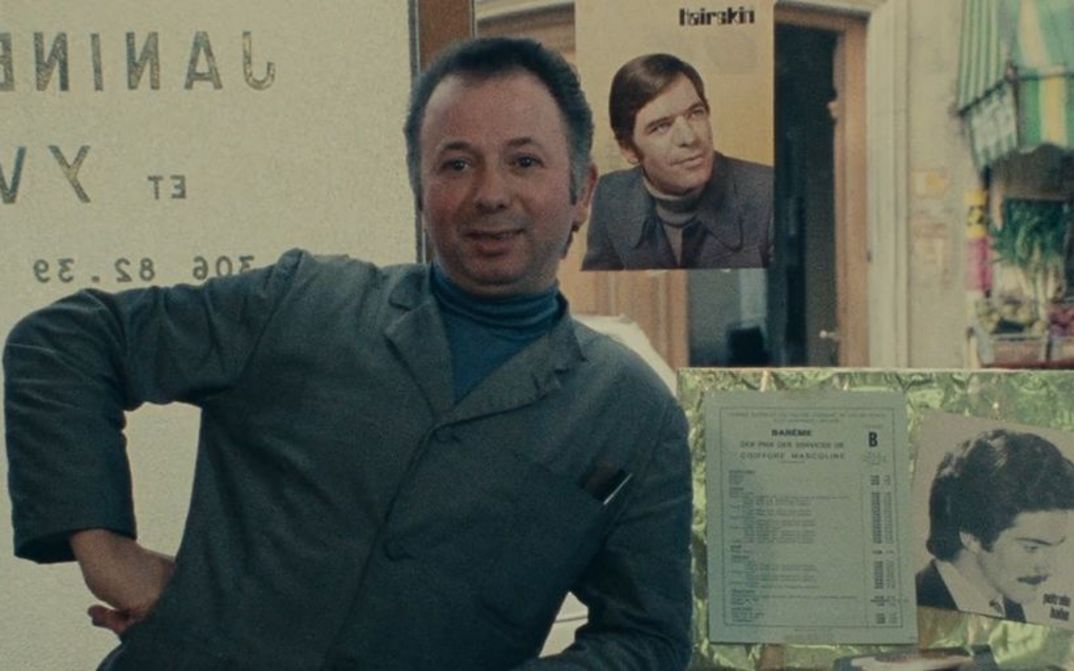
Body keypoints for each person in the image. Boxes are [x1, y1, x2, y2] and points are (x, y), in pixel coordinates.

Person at [4, 37, 693, 670]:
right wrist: (104, 551)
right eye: (456, 164)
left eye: (525, 161)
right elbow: (65, 341)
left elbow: (647, 638)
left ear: (582, 190)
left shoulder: (632, 412)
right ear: (419, 188)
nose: (490, 193)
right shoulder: (302, 303)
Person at [582, 52, 773, 271]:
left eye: (695, 113)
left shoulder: (768, 192)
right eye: (661, 126)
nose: (689, 138)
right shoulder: (610, 194)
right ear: (628, 148)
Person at [916, 428, 1074, 622]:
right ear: (972, 537)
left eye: (1053, 547)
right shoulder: (916, 600)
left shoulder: (1009, 606)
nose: (1049, 569)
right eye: (1031, 548)